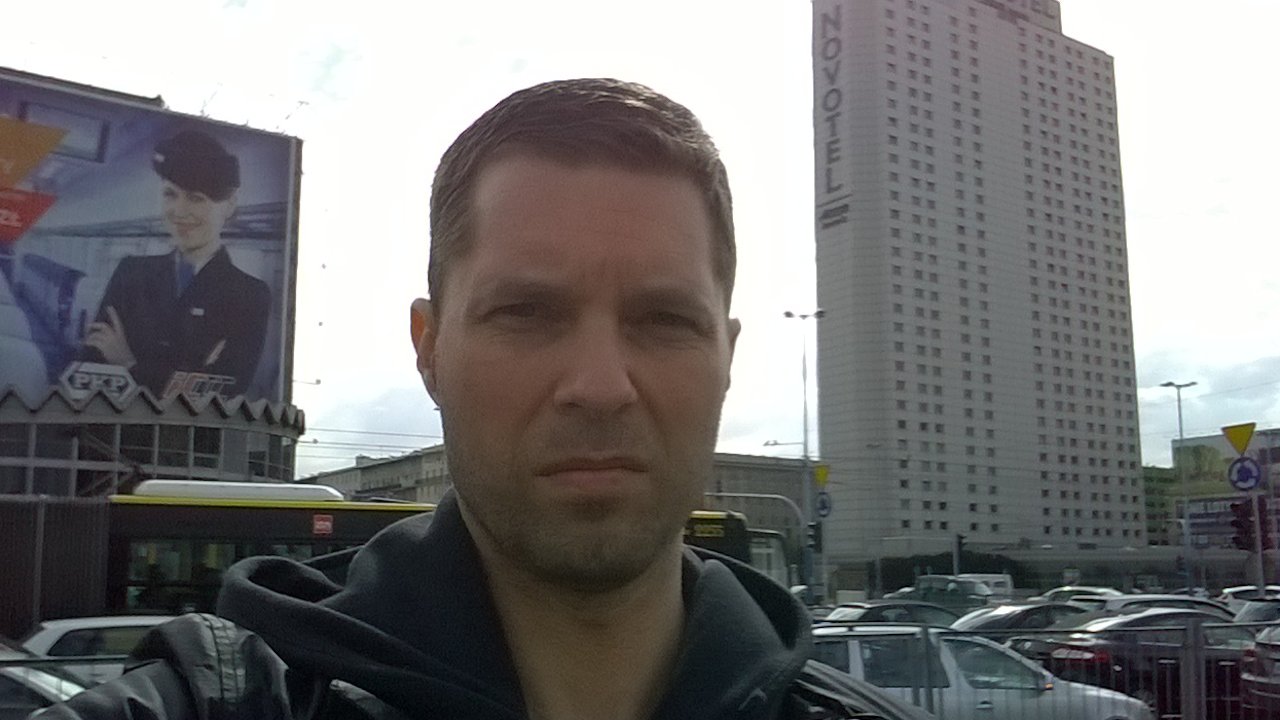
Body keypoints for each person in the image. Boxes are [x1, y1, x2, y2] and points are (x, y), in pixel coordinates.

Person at [37, 79, 926, 720]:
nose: (599, 387)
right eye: (526, 313)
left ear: (726, 357)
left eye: (663, 320)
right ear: (429, 348)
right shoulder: (226, 699)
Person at [77, 129, 270, 399]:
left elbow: (225, 390)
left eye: (196, 198)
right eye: (170, 194)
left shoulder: (250, 294)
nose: (178, 211)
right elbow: (91, 363)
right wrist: (186, 375)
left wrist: (128, 363)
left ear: (229, 206)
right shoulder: (131, 272)